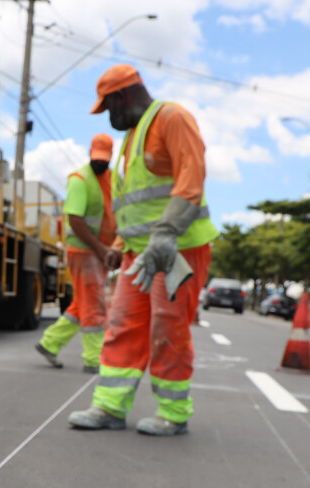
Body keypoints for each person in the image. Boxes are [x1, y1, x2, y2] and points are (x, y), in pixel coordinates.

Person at [68, 64, 218, 436]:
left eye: (108, 108)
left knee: (167, 328)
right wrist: (118, 245)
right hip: (139, 254)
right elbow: (132, 205)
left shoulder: (172, 118)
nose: (109, 117)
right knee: (122, 325)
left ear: (122, 96)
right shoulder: (134, 137)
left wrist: (166, 234)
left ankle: (174, 412)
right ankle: (109, 407)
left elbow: (190, 180)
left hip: (176, 250)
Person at [36, 134, 121, 374]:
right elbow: (74, 219)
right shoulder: (80, 180)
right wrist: (101, 249)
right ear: (89, 154)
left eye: (104, 160)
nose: (100, 163)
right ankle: (95, 359)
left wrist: (114, 248)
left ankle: (49, 343)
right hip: (84, 252)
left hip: (99, 252)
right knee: (94, 306)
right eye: (97, 159)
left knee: (82, 303)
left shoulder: (112, 180)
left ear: (110, 157)